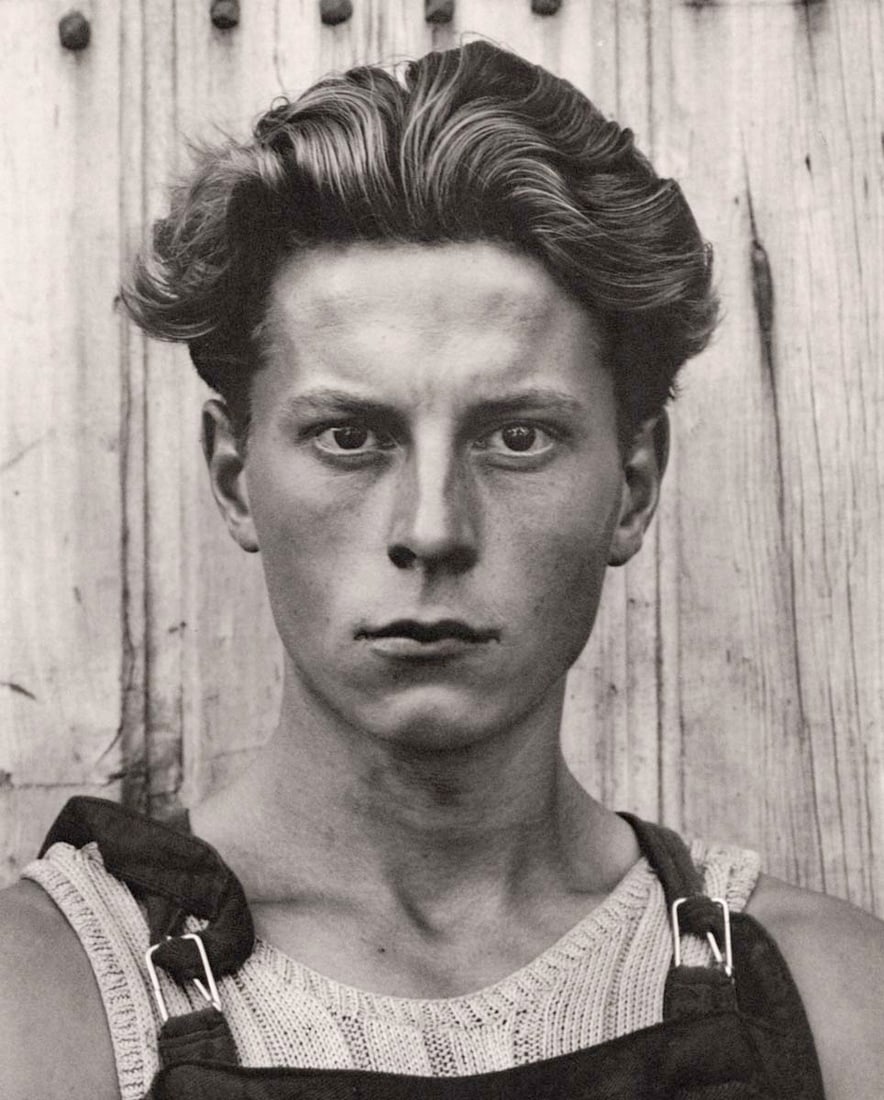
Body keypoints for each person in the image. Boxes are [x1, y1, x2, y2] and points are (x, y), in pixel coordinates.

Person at [1, 40, 882, 1100]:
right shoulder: (44, 997)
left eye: (514, 437)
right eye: (347, 435)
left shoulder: (834, 1000)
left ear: (634, 484)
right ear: (235, 478)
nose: (431, 527)